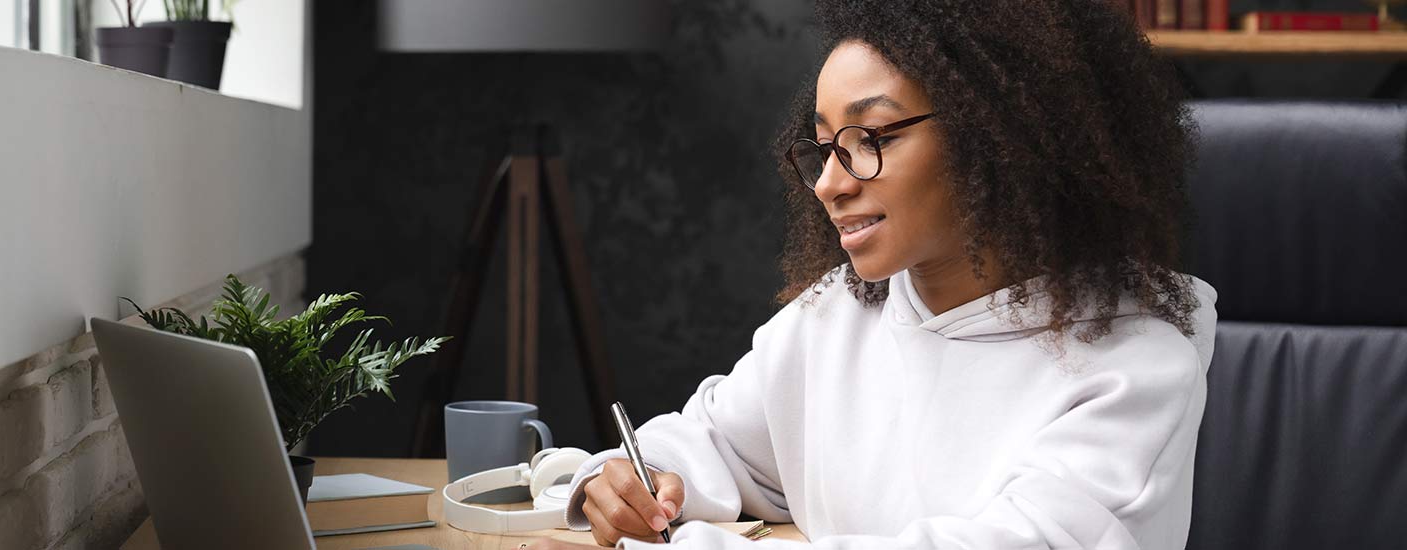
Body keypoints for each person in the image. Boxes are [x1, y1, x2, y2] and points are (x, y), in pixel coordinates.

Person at [520, 0, 1214, 548]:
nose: (828, 184)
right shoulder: (840, 315)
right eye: (823, 148)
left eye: (871, 139)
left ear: (1001, 136)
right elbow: (714, 441)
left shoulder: (1134, 371)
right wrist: (630, 484)